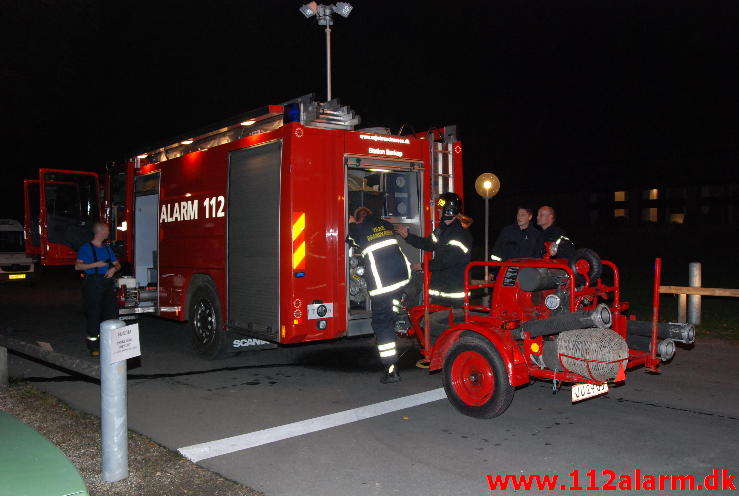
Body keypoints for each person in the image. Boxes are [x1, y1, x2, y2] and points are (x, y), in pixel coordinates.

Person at [347, 207, 411, 384]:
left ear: (359, 219)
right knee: (394, 301)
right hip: (401, 277)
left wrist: (351, 223)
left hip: (382, 283)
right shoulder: (383, 224)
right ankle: (397, 313)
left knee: (381, 323)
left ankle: (391, 370)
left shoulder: (358, 228)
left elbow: (350, 240)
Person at [395, 192, 473, 309]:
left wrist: (422, 265)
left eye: (441, 209)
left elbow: (446, 261)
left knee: (451, 325)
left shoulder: (459, 234)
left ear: (449, 211)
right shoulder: (442, 229)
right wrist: (407, 236)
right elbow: (428, 243)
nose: (438, 211)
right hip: (441, 291)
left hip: (454, 295)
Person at [74, 222, 121, 356]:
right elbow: (77, 267)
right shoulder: (86, 248)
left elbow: (118, 265)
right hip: (92, 283)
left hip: (106, 282)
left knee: (112, 314)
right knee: (94, 315)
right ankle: (94, 347)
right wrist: (95, 264)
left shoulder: (107, 248)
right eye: (106, 231)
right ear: (99, 232)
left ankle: (112, 345)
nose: (108, 233)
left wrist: (113, 269)